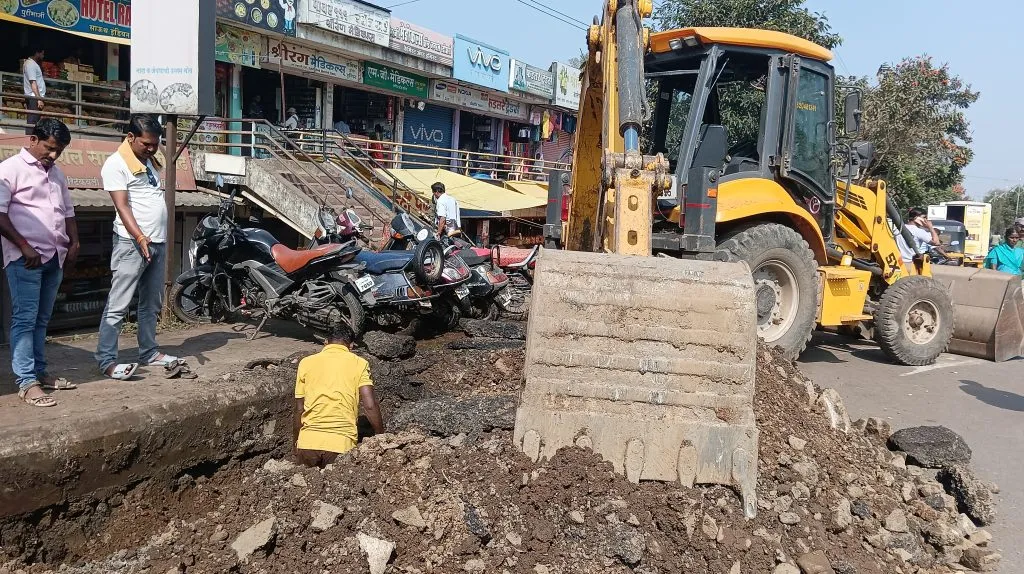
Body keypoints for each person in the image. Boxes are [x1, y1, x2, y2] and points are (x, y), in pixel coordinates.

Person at [0, 119, 79, 407]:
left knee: (42, 320)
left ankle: (40, 372)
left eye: (59, 151)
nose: (54, 155)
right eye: (50, 148)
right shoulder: (10, 169)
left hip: (54, 256)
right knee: (24, 318)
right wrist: (23, 246)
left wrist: (75, 242)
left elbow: (68, 211)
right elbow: (0, 213)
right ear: (33, 140)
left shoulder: (57, 174)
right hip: (26, 259)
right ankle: (26, 381)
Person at [96, 115, 180, 380]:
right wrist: (141, 237)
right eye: (147, 144)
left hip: (157, 241)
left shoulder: (148, 160)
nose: (152, 148)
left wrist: (154, 238)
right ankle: (107, 361)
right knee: (118, 304)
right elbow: (122, 206)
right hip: (132, 243)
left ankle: (149, 352)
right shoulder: (115, 164)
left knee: (150, 304)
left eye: (155, 144)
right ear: (130, 138)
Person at [293, 322, 384, 467]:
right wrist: (381, 437)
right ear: (351, 346)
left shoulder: (305, 363)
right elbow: (370, 406)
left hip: (307, 443)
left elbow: (299, 409)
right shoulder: (359, 363)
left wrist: (296, 444)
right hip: (341, 445)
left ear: (325, 342)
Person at [23, 48, 46, 135]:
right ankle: (29, 140)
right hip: (34, 97)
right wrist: (39, 99)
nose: (43, 56)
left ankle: (33, 140)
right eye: (42, 54)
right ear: (37, 53)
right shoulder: (31, 64)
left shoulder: (33, 64)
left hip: (34, 97)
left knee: (35, 122)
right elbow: (33, 83)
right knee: (32, 121)